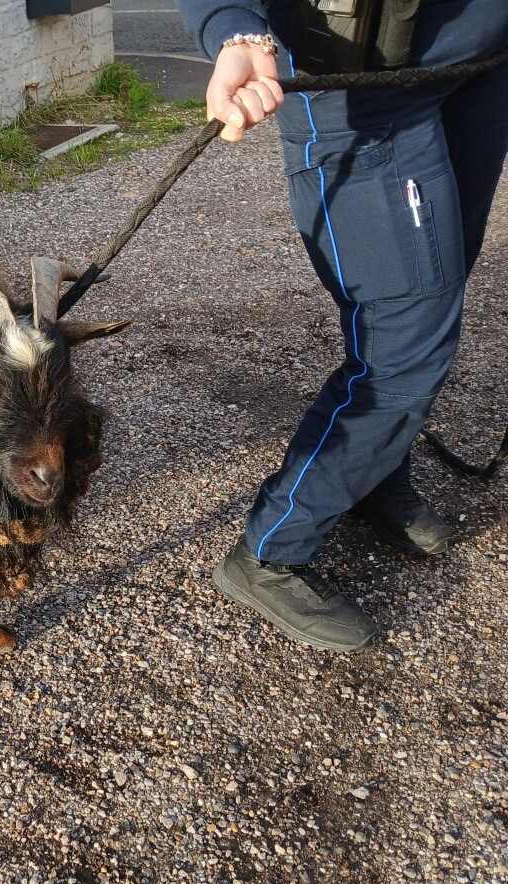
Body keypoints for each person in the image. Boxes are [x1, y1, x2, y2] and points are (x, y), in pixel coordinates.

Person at [174, 0, 508, 651]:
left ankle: (374, 474)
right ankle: (272, 549)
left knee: (438, 287)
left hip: (484, 61)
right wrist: (231, 22)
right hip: (359, 79)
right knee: (405, 345)